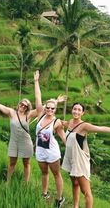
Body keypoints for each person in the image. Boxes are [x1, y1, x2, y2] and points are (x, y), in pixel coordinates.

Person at [62, 103, 110, 208]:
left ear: (82, 113)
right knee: (75, 184)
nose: (76, 111)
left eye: (79, 110)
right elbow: (60, 123)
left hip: (80, 161)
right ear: (72, 110)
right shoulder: (70, 122)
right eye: (74, 109)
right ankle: (75, 206)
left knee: (86, 191)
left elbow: (100, 128)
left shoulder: (84, 126)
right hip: (71, 158)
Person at [0, 71, 42, 182]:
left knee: (26, 163)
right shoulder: (11, 112)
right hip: (14, 141)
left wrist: (36, 82)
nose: (22, 106)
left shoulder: (29, 115)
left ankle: (25, 184)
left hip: (25, 142)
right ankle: (8, 182)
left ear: (27, 108)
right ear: (19, 104)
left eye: (25, 106)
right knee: (12, 163)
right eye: (21, 104)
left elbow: (40, 103)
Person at [34, 70, 67, 208]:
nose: (49, 110)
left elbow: (63, 136)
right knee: (44, 172)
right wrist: (36, 82)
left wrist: (71, 147)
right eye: (47, 108)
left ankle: (59, 198)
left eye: (52, 109)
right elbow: (38, 98)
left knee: (56, 174)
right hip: (40, 150)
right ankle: (45, 193)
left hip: (52, 152)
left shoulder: (57, 122)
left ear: (55, 110)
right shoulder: (40, 114)